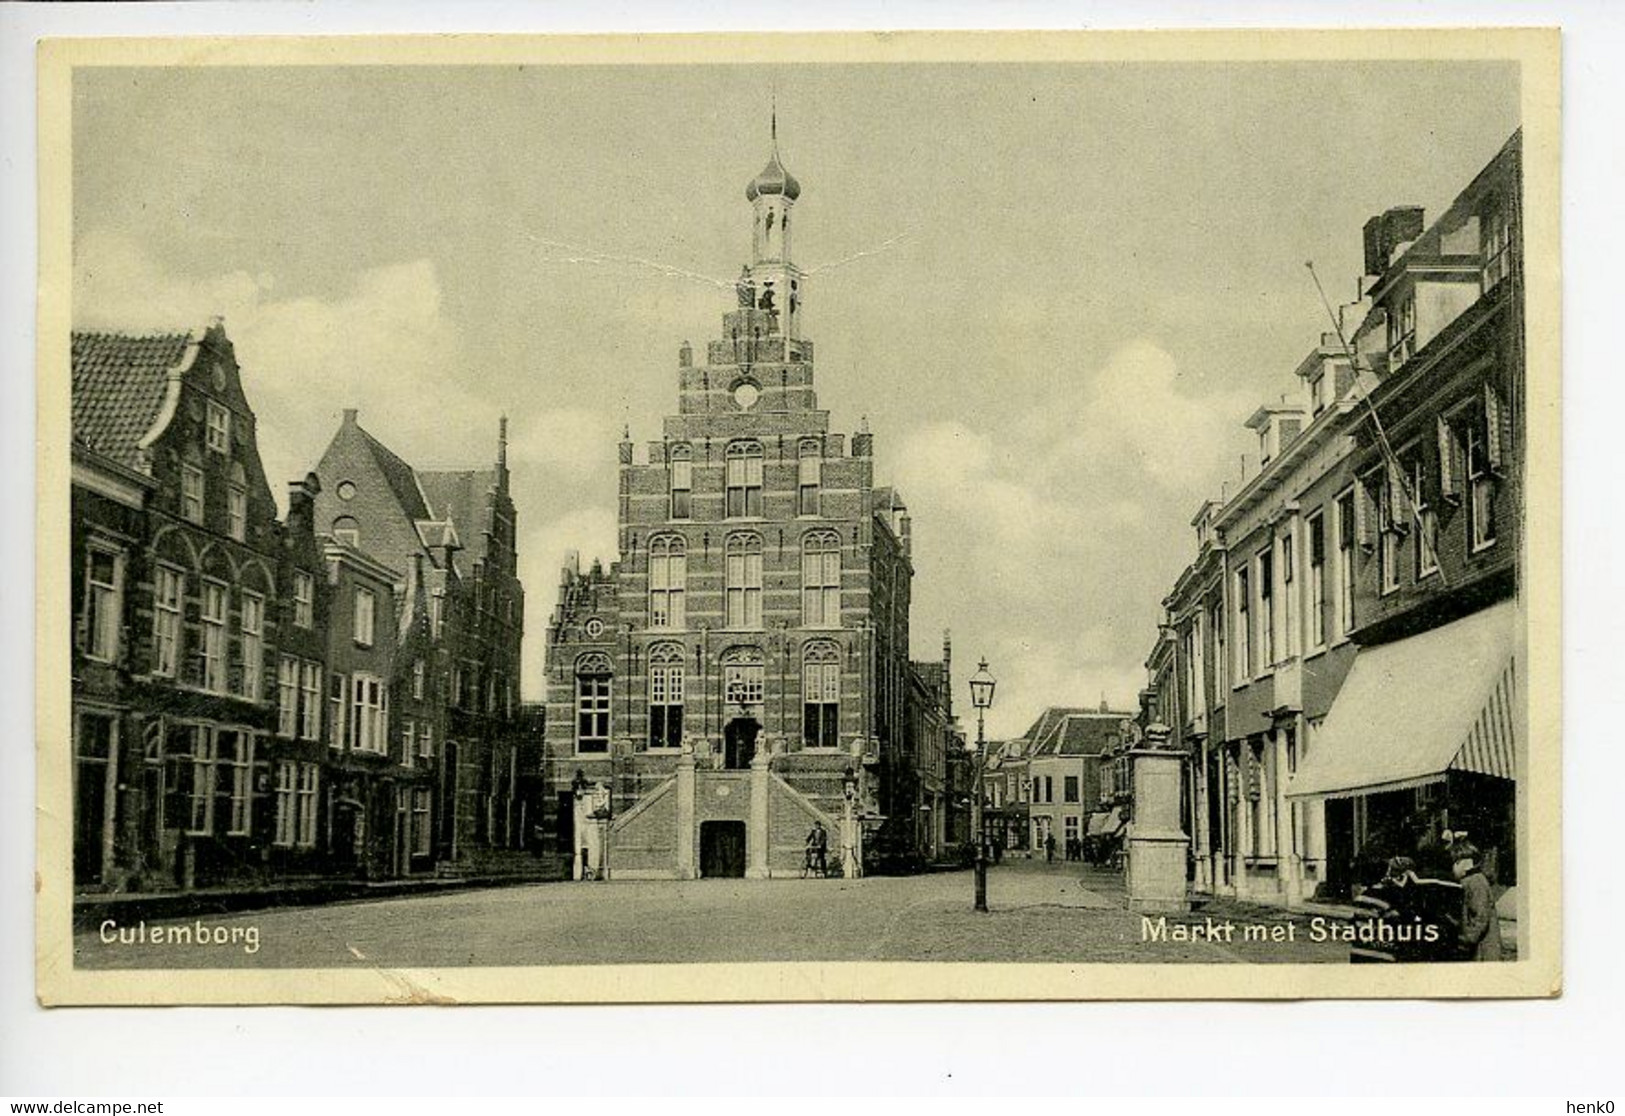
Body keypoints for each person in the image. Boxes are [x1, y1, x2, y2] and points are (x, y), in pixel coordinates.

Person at [1452, 842, 1504, 961]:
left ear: (1466, 863)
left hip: (1483, 950)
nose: (1453, 867)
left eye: (1455, 863)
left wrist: (1467, 939)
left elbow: (1481, 916)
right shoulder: (1471, 881)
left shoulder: (1475, 882)